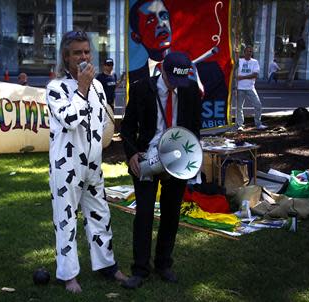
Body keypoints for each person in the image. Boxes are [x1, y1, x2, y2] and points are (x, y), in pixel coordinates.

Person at [45, 30, 127, 293]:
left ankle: (106, 265)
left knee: (100, 215)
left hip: (93, 164)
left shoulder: (98, 86)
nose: (84, 57)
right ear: (66, 57)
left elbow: (103, 121)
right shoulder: (55, 88)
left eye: (87, 52)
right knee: (65, 219)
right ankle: (68, 275)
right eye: (77, 52)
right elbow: (69, 120)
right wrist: (81, 87)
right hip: (66, 166)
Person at [120, 51, 202, 289]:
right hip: (146, 157)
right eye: (171, 81)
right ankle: (140, 269)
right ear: (163, 69)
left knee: (171, 213)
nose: (176, 87)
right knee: (144, 214)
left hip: (177, 158)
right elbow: (126, 128)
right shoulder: (141, 89)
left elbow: (195, 128)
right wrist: (132, 153)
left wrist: (190, 158)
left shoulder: (190, 90)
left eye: (180, 82)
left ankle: (164, 264)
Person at [128, 0, 172, 82]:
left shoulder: (193, 71)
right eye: (150, 20)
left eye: (164, 16)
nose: (161, 24)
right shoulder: (132, 80)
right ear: (136, 37)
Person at [236, 46, 267, 131]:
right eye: (247, 51)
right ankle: (240, 125)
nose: (249, 53)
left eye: (250, 52)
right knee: (239, 107)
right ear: (244, 52)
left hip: (250, 87)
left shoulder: (255, 62)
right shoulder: (239, 61)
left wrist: (242, 77)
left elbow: (255, 75)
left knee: (258, 105)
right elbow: (234, 72)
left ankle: (258, 124)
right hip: (240, 88)